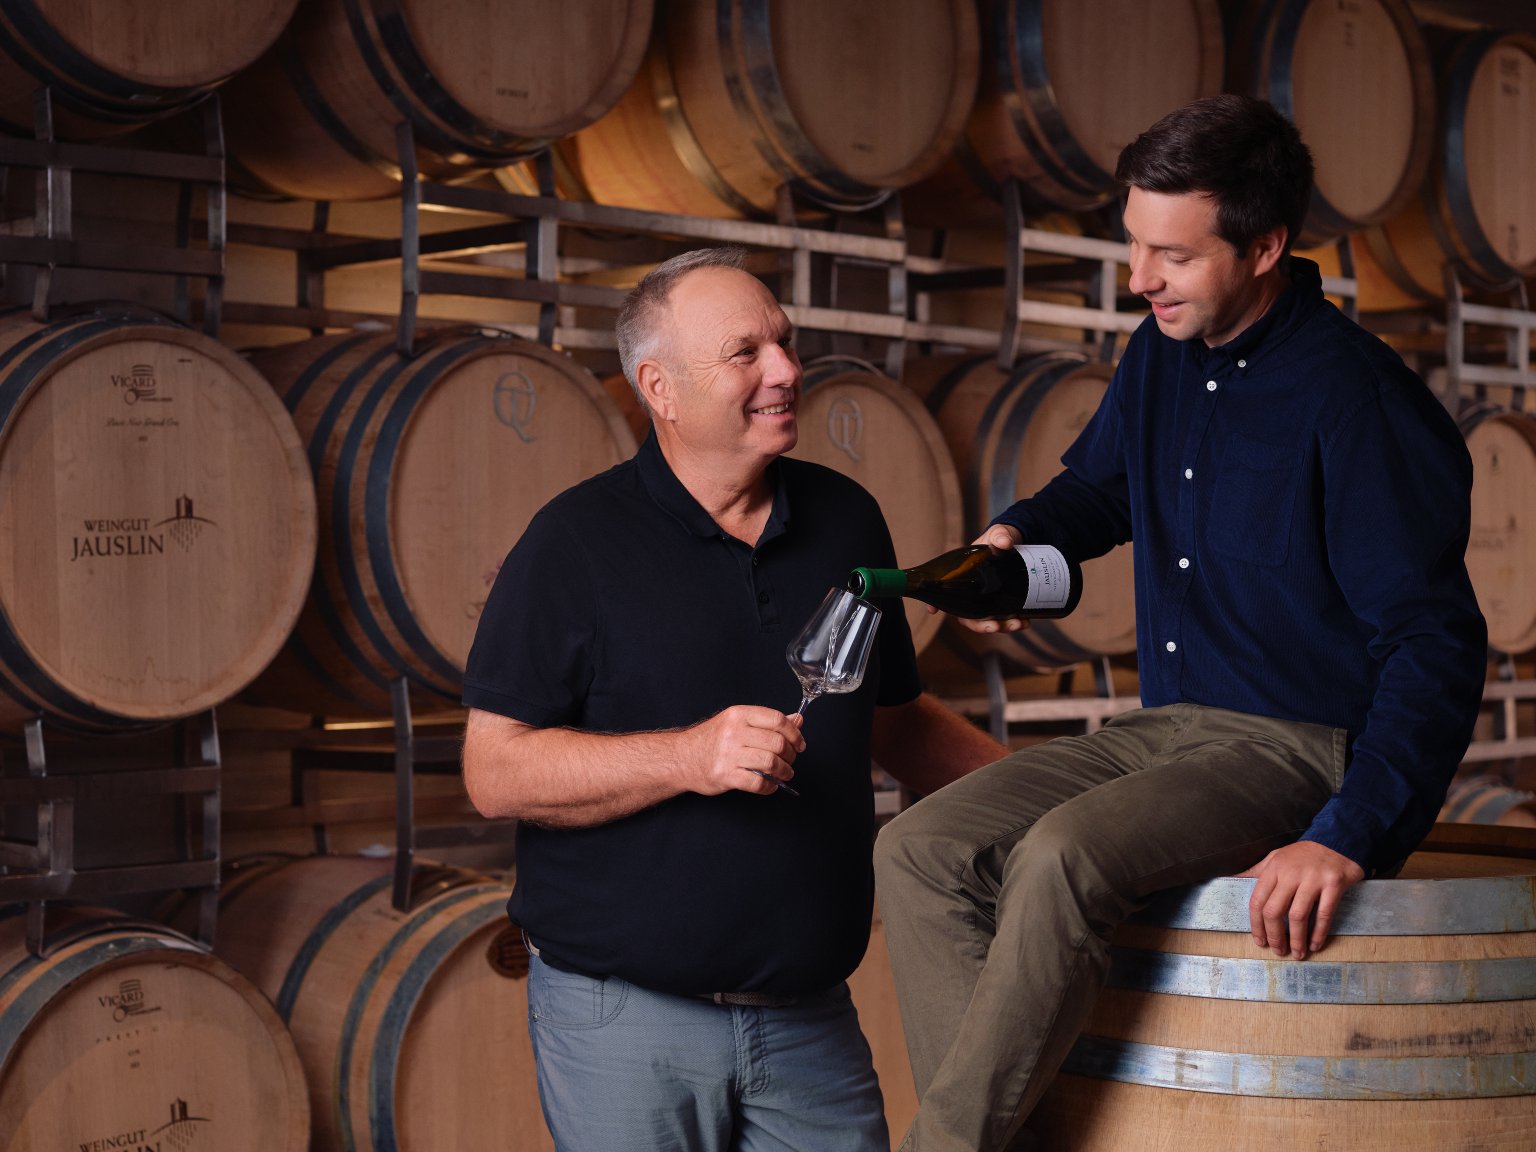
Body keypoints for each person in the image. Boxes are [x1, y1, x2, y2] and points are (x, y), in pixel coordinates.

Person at [872, 94, 1489, 1152]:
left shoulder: (1359, 404)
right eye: (1133, 246)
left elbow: (1437, 644)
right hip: (1170, 728)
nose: (1139, 279)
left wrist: (1348, 836)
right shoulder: (1161, 350)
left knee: (1061, 855)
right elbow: (1099, 497)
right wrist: (1013, 546)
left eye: (1171, 255)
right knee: (921, 847)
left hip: (1299, 745)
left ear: (1265, 247)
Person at [460, 245, 1005, 1152]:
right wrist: (688, 755)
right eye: (745, 353)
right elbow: (494, 769)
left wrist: (1059, 801)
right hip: (625, 1019)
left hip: (808, 1013)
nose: (787, 371)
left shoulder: (844, 520)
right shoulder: (574, 544)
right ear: (659, 387)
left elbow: (897, 723)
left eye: (785, 343)